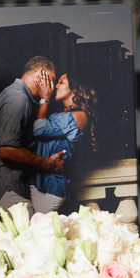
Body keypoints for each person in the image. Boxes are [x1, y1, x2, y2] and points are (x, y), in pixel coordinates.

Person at [0, 55, 67, 209]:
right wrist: (45, 163)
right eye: (52, 79)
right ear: (40, 76)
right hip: (5, 189)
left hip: (9, 187)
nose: (53, 85)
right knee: (29, 232)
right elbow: (7, 150)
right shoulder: (18, 99)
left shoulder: (21, 97)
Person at [27, 72, 98, 213]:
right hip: (39, 183)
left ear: (75, 89)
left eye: (61, 82)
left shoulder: (79, 115)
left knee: (41, 231)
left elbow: (39, 129)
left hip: (51, 188)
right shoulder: (64, 114)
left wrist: (44, 99)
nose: (55, 86)